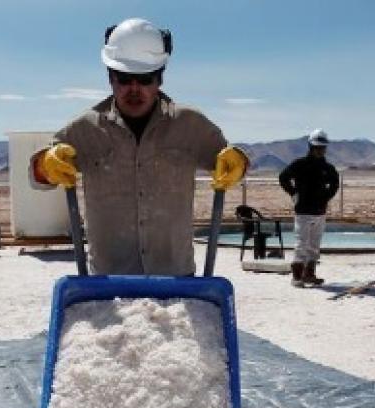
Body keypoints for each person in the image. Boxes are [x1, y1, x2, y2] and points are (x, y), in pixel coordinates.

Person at [31, 17, 248, 276]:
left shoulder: (191, 125)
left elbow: (232, 162)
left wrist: (240, 163)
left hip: (176, 280)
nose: (134, 89)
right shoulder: (85, 128)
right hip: (107, 284)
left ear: (160, 79)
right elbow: (37, 178)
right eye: (124, 78)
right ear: (110, 77)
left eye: (145, 79)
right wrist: (45, 164)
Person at [278, 129, 339, 287]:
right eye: (317, 147)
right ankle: (297, 277)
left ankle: (309, 274)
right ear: (310, 146)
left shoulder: (328, 168)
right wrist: (293, 192)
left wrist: (326, 197)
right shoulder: (299, 165)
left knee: (314, 245)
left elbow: (335, 184)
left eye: (322, 147)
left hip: (320, 212)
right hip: (303, 212)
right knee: (302, 244)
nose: (320, 150)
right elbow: (283, 177)